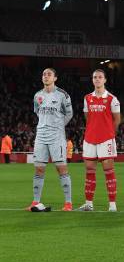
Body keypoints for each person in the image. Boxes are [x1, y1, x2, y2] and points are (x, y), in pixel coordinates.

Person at [29, 68, 74, 212]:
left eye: (49, 74)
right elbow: (37, 112)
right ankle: (35, 202)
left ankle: (68, 203)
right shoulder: (37, 96)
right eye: (44, 74)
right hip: (41, 136)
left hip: (57, 137)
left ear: (55, 78)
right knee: (39, 169)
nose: (46, 76)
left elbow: (69, 113)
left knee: (61, 168)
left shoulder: (62, 95)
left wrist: (58, 126)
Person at [78, 69, 121, 212]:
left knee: (108, 171)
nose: (97, 79)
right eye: (95, 77)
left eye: (100, 77)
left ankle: (112, 205)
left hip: (106, 139)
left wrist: (108, 133)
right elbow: (87, 117)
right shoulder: (87, 98)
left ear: (105, 80)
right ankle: (89, 203)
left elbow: (117, 120)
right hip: (90, 138)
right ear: (92, 80)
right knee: (89, 170)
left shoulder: (112, 99)